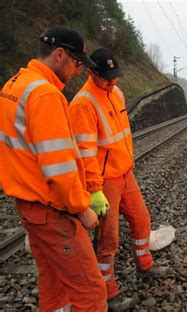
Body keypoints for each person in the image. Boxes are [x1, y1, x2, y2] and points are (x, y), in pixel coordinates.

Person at [0, 26, 107, 311]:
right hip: (51, 210)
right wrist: (81, 207)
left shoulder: (14, 85)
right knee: (92, 293)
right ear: (60, 55)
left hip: (28, 205)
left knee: (52, 284)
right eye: (76, 63)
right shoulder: (45, 95)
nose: (77, 70)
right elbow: (58, 166)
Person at [69, 48, 155, 307]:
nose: (112, 81)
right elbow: (85, 153)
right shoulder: (83, 104)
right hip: (105, 181)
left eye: (114, 76)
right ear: (90, 71)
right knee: (108, 239)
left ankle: (145, 265)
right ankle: (106, 291)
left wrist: (128, 164)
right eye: (106, 77)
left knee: (142, 220)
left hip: (125, 173)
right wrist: (94, 189)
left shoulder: (116, 93)